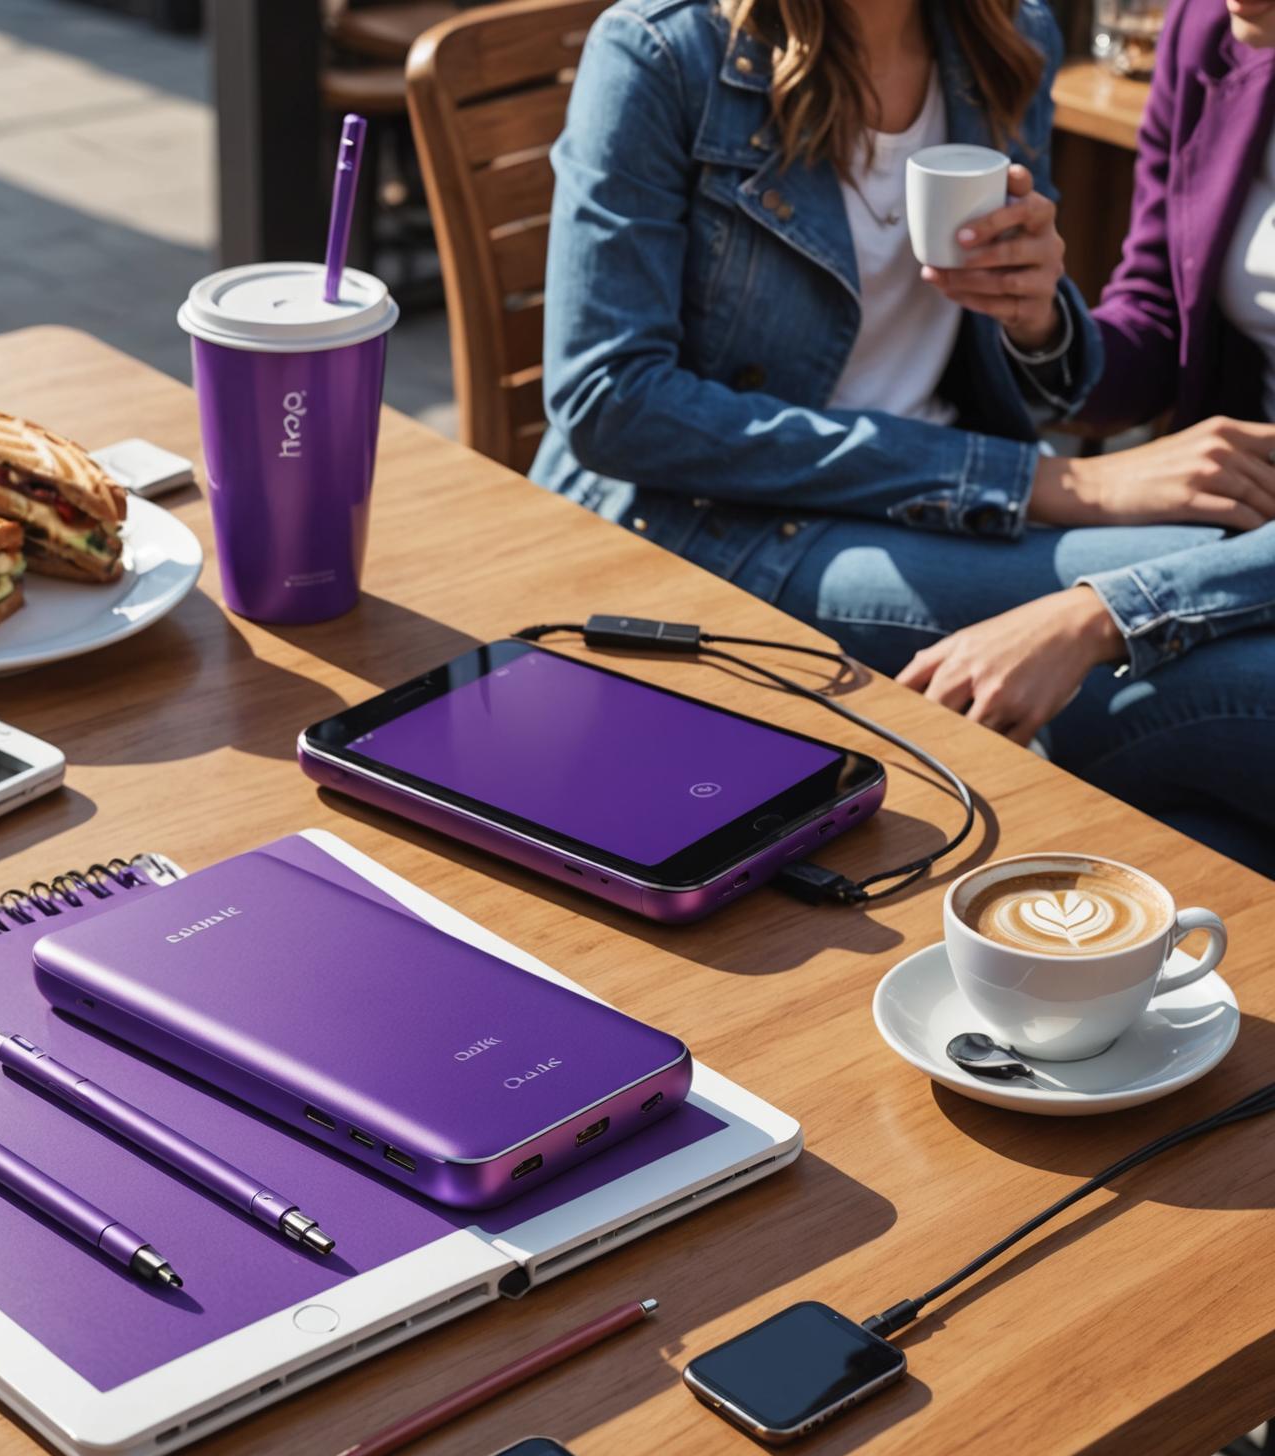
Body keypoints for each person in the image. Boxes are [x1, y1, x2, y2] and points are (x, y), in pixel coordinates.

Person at [532, 0, 1275, 874]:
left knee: (1210, 668)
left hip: (948, 503)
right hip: (721, 516)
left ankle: (1124, 897)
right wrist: (1046, 485)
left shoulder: (1006, 38)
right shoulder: (664, 51)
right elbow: (609, 399)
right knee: (1221, 653)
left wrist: (1038, 318)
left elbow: (1008, 368)